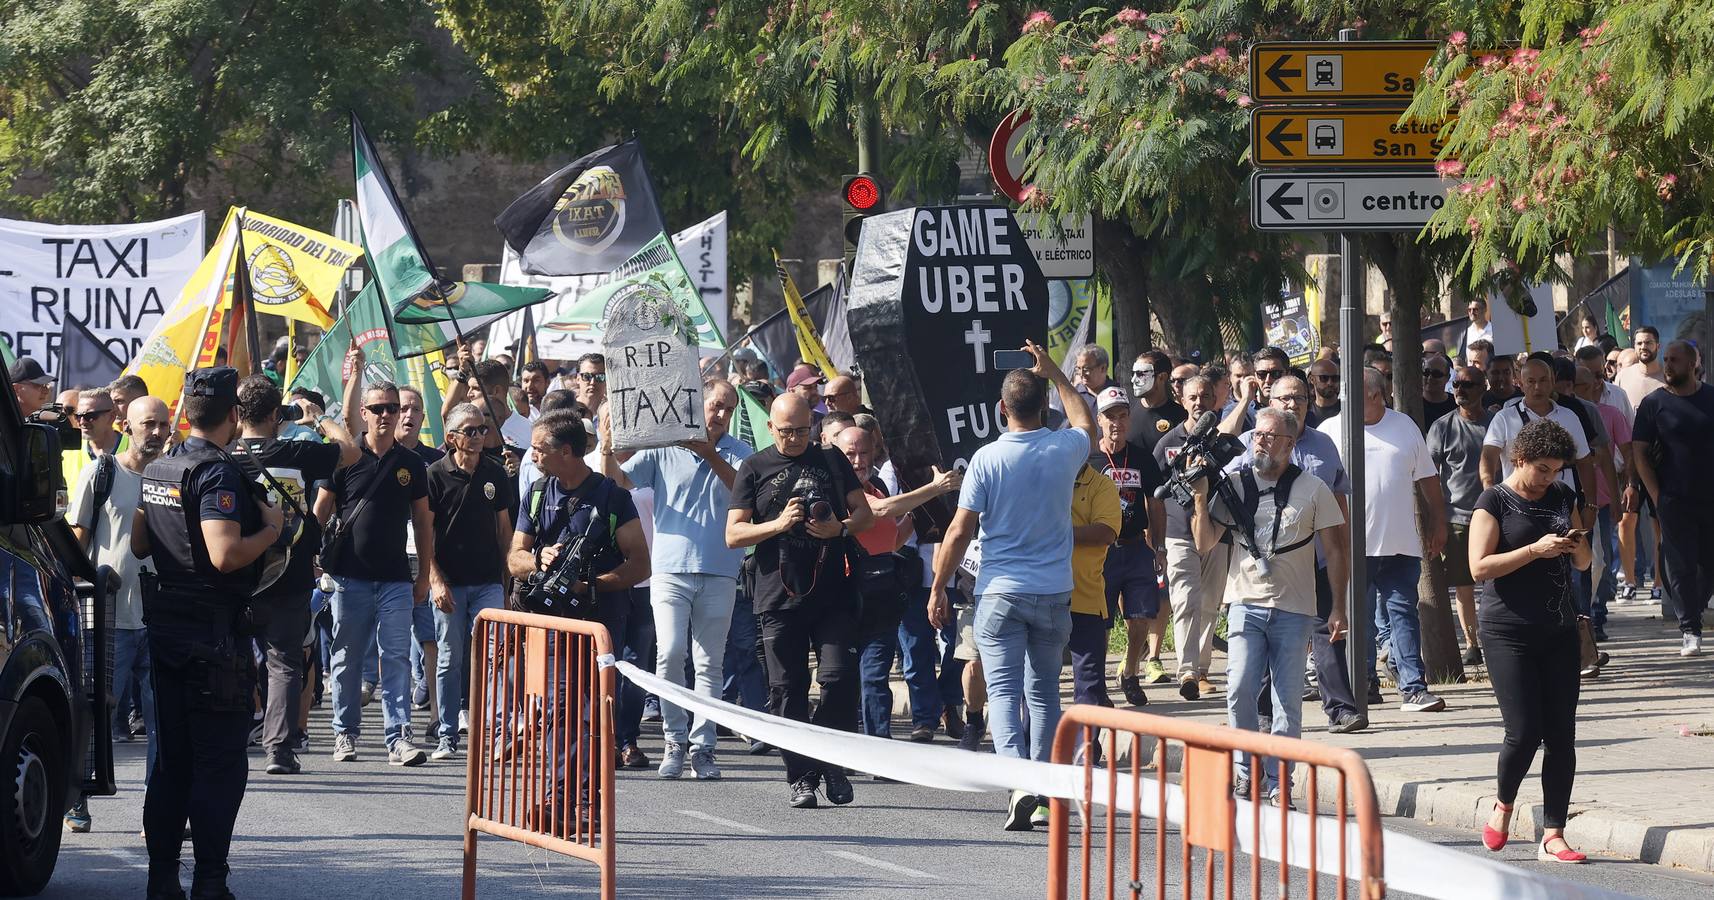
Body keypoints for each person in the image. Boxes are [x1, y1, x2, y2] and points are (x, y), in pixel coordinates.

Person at [131, 367, 285, 900]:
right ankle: (210, 883)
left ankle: (161, 879)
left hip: (169, 628)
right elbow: (223, 555)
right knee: (218, 766)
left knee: (172, 762)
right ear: (235, 415)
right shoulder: (216, 472)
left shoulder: (161, 465)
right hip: (211, 636)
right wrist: (271, 530)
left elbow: (141, 545)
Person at [929, 341, 1096, 831]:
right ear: (1043, 406)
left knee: (1002, 692)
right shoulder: (1064, 449)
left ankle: (1020, 783)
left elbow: (960, 530)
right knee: (1043, 694)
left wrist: (938, 586)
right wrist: (1060, 376)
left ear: (1002, 410)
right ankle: (1041, 788)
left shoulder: (985, 459)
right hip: (1053, 592)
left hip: (999, 591)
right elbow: (1085, 423)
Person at [1191, 407, 1347, 802]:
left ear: (1290, 445)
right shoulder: (1235, 485)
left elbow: (1335, 550)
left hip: (1295, 610)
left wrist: (1338, 606)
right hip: (1244, 602)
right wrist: (1199, 499)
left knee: (1287, 700)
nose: (1259, 441)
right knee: (1239, 689)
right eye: (1257, 435)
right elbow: (1204, 543)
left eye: (1269, 436)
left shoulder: (1313, 488)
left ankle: (1281, 781)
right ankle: (1246, 771)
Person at [601, 380, 754, 779]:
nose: (718, 414)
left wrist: (710, 455)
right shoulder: (666, 446)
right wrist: (605, 447)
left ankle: (704, 749)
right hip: (669, 570)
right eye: (713, 405)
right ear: (696, 405)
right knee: (669, 655)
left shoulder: (741, 454)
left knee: (709, 664)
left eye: (726, 408)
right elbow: (617, 482)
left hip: (720, 571)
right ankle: (675, 739)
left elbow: (747, 493)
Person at [727, 391, 873, 808]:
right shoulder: (754, 467)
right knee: (787, 689)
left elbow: (864, 514)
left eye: (803, 430)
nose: (795, 439)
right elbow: (734, 534)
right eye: (787, 431)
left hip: (834, 594)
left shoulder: (829, 458)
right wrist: (777, 524)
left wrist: (840, 530)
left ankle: (831, 761)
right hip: (777, 595)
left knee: (840, 678)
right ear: (770, 428)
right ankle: (801, 776)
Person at [1469, 419, 1592, 864]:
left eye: (1556, 470)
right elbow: (1478, 568)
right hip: (1508, 631)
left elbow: (1584, 561)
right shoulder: (1493, 502)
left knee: (1562, 734)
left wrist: (1575, 545)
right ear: (1519, 459)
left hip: (1558, 629)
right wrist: (1533, 551)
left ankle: (1553, 833)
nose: (1549, 478)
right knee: (1523, 733)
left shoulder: (1561, 496)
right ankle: (1503, 806)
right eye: (1542, 468)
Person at [232, 376, 359, 776]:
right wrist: (317, 418)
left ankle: (231, 739)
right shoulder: (296, 450)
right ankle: (279, 750)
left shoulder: (224, 455)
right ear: (275, 414)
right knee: (284, 662)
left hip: (236, 571)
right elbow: (351, 451)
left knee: (234, 657)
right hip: (289, 572)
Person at [314, 348, 434, 768]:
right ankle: (345, 734)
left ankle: (398, 738)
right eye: (378, 408)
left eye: (393, 408)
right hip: (350, 577)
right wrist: (313, 555)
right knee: (346, 658)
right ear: (364, 413)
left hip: (398, 578)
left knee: (397, 655)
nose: (387, 415)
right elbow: (321, 511)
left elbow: (422, 522)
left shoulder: (412, 464)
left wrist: (426, 577)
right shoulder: (346, 458)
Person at [1227, 375, 1363, 733]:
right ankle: (1261, 720)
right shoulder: (1249, 441)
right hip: (1257, 571)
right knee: (1250, 667)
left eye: (1300, 397)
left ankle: (1340, 709)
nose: (1294, 403)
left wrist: (1343, 552)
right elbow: (1218, 482)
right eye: (1285, 397)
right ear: (1269, 400)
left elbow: (1338, 496)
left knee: (1328, 632)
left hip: (1313, 559)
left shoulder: (1323, 444)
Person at [64, 395, 172, 831]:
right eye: (149, 424)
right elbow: (74, 543)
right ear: (127, 424)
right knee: (95, 715)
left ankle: (158, 809)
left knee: (162, 721)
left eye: (163, 424)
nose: (158, 432)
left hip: (161, 619)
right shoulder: (102, 473)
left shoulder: (174, 477)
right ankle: (75, 797)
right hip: (108, 621)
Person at [1319, 368, 1449, 713]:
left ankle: (1413, 688)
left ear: (1377, 396)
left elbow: (1428, 479)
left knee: (1404, 614)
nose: (1344, 402)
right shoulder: (1331, 430)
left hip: (1400, 544)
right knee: (1357, 619)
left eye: (1354, 396)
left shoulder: (1404, 426)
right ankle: (1365, 685)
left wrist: (1439, 521)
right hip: (1348, 547)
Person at [421, 402, 512, 760]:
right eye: (470, 431)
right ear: (452, 437)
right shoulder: (434, 475)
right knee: (449, 658)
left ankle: (494, 731)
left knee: (495, 657)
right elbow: (423, 533)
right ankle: (447, 734)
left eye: (482, 430)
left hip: (488, 581)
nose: (478, 437)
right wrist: (435, 581)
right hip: (450, 583)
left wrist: (508, 579)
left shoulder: (495, 473)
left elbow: (504, 529)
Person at [1632, 340, 1714, 657]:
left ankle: (1693, 606)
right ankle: (1690, 629)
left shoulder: (1710, 398)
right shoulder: (1654, 404)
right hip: (1673, 499)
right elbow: (1639, 451)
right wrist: (1655, 494)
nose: (1668, 365)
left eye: (1675, 360)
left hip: (1709, 498)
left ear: (1694, 363)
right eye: (1666, 359)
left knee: (1708, 564)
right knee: (1678, 566)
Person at [1088, 387, 1167, 705]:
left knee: (1140, 618)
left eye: (1122, 415)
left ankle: (1131, 673)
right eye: (1110, 416)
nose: (1116, 422)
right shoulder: (1089, 458)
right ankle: (1097, 684)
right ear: (1099, 420)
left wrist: (1159, 546)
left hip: (1136, 546)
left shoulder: (1141, 457)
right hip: (1101, 551)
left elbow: (1156, 502)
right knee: (1100, 623)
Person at [1155, 375, 1227, 699]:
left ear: (1215, 400)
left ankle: (1201, 670)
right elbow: (1152, 494)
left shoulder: (1224, 443)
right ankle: (1186, 671)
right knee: (1185, 600)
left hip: (1216, 533)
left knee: (1210, 603)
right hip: (1179, 533)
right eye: (1193, 397)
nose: (1199, 402)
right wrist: (1155, 539)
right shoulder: (1168, 443)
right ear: (1182, 401)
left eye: (1205, 396)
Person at [1428, 366, 1494, 665]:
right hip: (1457, 518)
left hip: (1495, 515)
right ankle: (1472, 643)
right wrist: (1436, 518)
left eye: (1468, 384)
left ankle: (1495, 638)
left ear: (1484, 387)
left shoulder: (1496, 423)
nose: (1460, 389)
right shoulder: (1442, 427)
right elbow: (1429, 475)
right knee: (1463, 586)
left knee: (1496, 583)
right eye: (1456, 383)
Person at [1480, 359, 1595, 503]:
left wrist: (1591, 504)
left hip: (1563, 505)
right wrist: (1490, 494)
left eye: (1543, 380)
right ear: (1521, 385)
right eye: (1531, 381)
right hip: (1518, 504)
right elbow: (1488, 457)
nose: (1537, 387)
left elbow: (1585, 462)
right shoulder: (1504, 418)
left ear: (1552, 381)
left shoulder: (1569, 416)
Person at [1572, 365, 1631, 646]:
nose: (1580, 390)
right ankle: (1587, 617)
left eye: (1584, 384)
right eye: (1576, 384)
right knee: (1586, 562)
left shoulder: (1604, 413)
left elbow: (1618, 453)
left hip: (1603, 500)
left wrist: (1624, 491)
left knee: (1602, 561)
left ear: (1597, 383)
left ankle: (1597, 613)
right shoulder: (1570, 411)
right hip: (1577, 500)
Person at [1127, 350, 1186, 452]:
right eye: (1133, 374)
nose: (1134, 380)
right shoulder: (1126, 412)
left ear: (1162, 377)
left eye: (1140, 374)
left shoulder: (1181, 416)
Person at [1615, 325, 1666, 412]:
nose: (1643, 347)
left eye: (1648, 343)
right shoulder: (1622, 377)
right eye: (1639, 343)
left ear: (1658, 346)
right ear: (1634, 347)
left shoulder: (1669, 377)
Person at [1071, 344, 1112, 414]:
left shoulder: (1118, 393)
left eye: (1086, 369)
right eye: (1078, 369)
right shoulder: (1074, 395)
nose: (1081, 374)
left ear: (1103, 368)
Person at [1421, 352, 1457, 432]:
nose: (1430, 378)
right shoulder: (1414, 403)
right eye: (1426, 372)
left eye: (1436, 374)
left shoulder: (1455, 405)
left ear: (1448, 378)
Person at [1307, 358, 1341, 427]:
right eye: (1324, 378)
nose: (1330, 383)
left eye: (1334, 378)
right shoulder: (1307, 414)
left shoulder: (1347, 409)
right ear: (1312, 379)